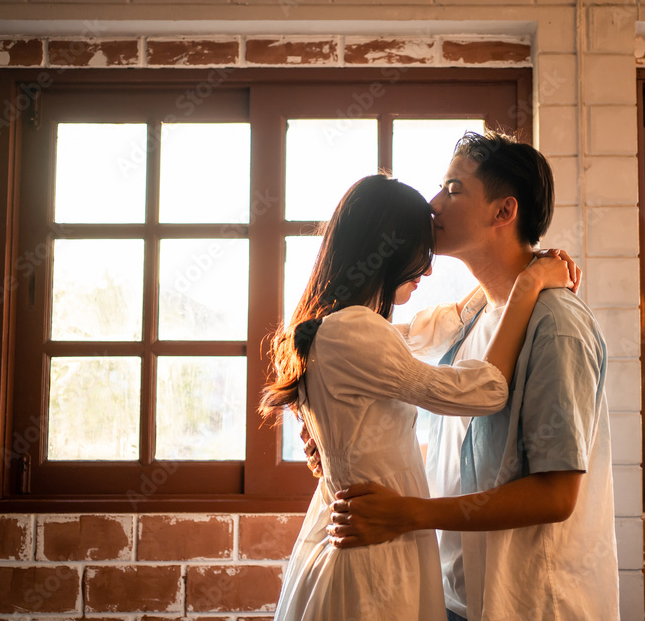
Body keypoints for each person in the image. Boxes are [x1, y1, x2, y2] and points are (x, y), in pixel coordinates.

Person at [320, 132, 621, 620]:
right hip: (458, 598)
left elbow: (557, 495)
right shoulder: (476, 321)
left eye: (453, 188)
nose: (433, 204)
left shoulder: (556, 326)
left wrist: (409, 515)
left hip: (528, 604)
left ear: (504, 212)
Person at [261, 173, 575, 621]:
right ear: (385, 252)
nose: (427, 270)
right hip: (374, 551)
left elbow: (438, 326)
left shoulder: (339, 327)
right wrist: (526, 287)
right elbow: (484, 391)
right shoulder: (356, 332)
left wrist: (511, 271)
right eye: (419, 254)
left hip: (365, 538)